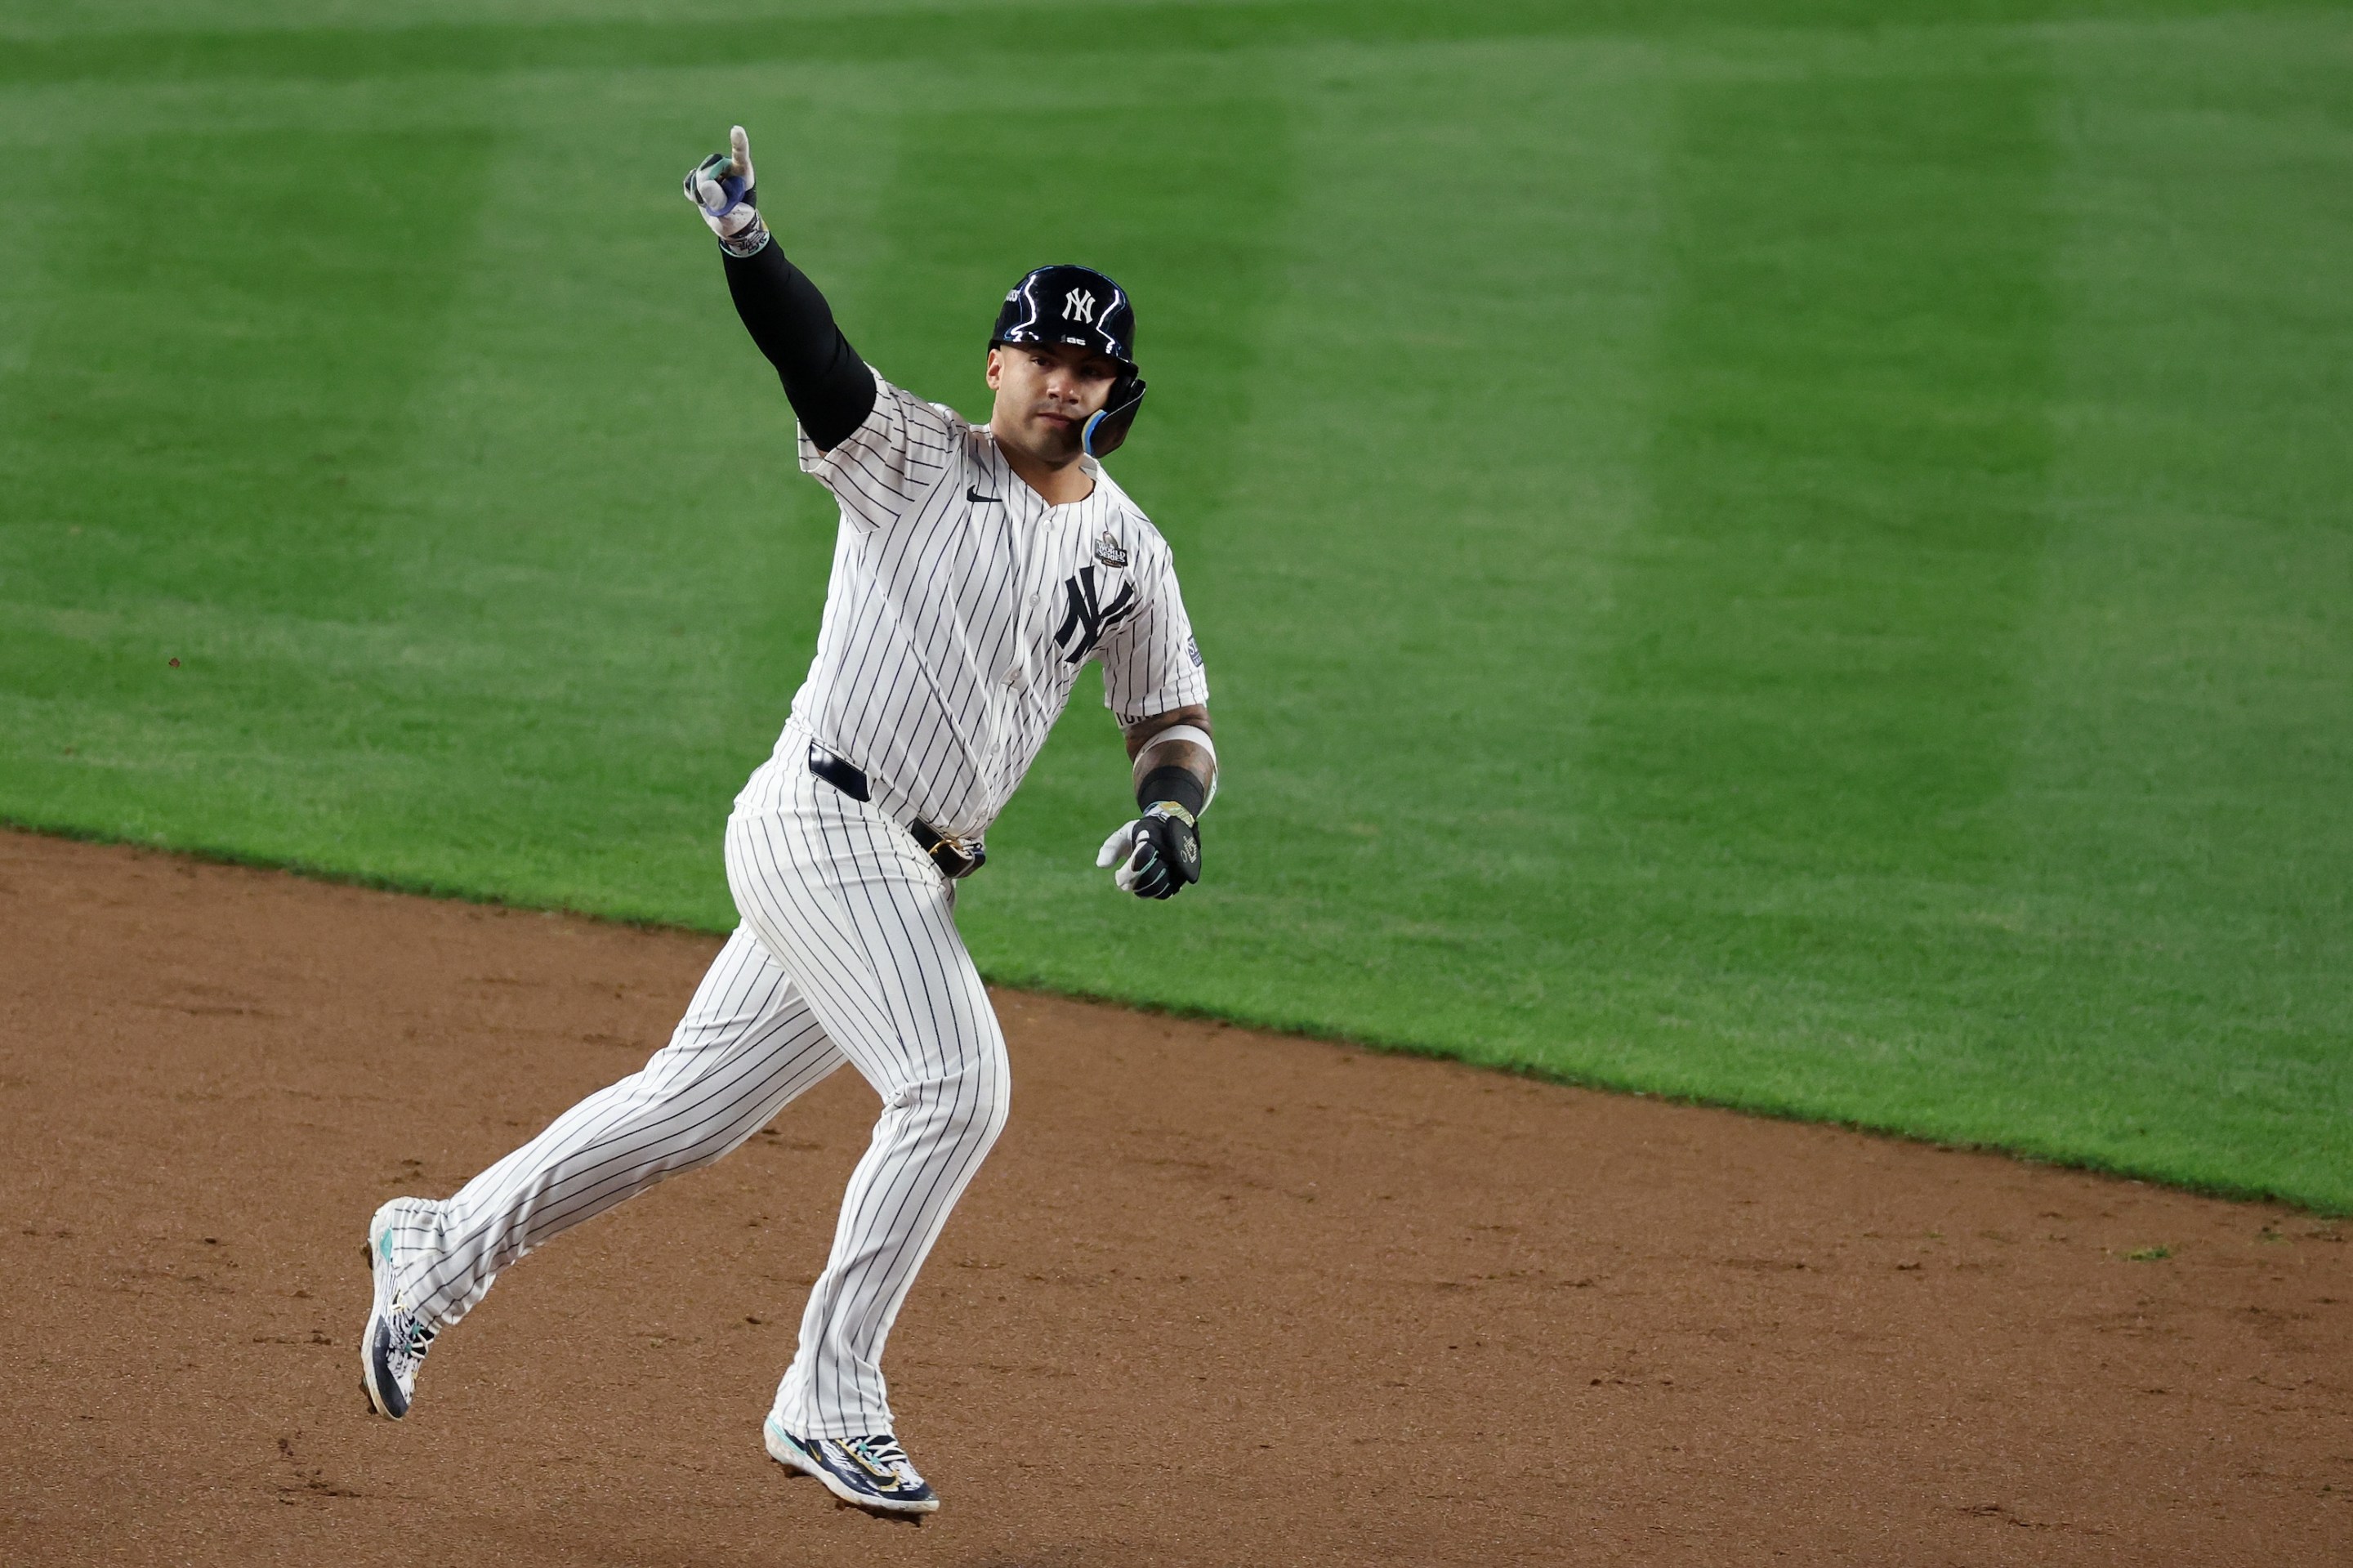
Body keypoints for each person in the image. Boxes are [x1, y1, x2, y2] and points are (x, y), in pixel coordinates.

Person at [359, 125, 1218, 1519]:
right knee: (958, 1087)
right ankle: (830, 1400)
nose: (1063, 384)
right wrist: (749, 247)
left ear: (1120, 389)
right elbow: (812, 358)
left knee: (681, 1113)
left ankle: (437, 1246)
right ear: (996, 361)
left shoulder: (1130, 548)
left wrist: (1174, 814)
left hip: (910, 872)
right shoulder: (907, 457)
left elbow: (1167, 718)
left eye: (1090, 368)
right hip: (823, 824)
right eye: (1040, 358)